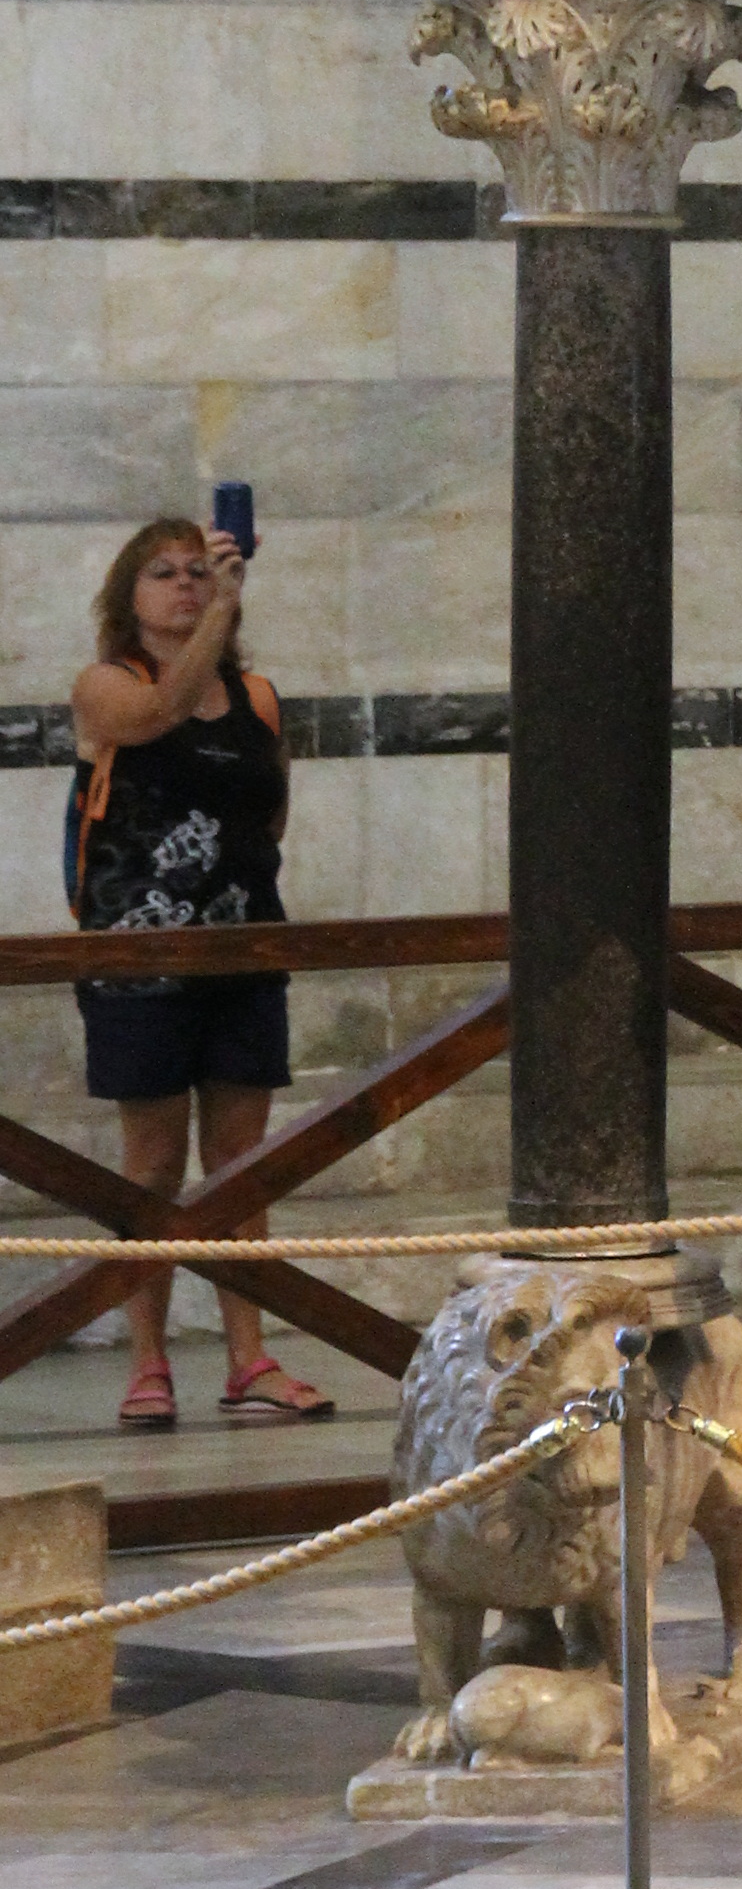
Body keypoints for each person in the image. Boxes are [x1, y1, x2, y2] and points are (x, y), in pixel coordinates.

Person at [68, 520, 330, 1430]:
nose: (185, 585)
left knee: (240, 1170)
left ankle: (248, 1356)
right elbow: (153, 719)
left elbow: (272, 812)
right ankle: (148, 1361)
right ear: (126, 595)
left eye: (199, 572)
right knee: (151, 1166)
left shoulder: (255, 696)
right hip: (137, 961)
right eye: (164, 573)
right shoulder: (109, 683)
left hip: (243, 955)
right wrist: (220, 613)